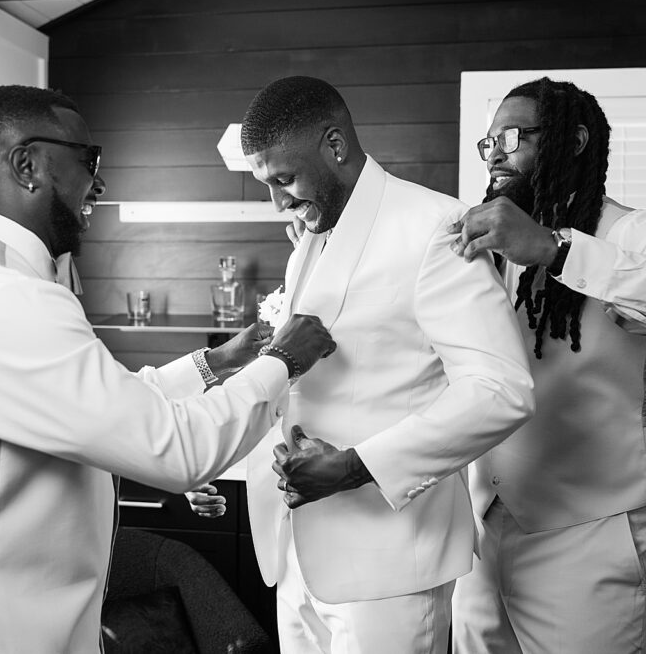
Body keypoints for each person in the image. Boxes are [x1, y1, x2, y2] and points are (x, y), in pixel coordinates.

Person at [0, 84, 336, 654]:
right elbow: (173, 449)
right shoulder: (2, 298)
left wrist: (217, 362)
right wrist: (282, 362)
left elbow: (101, 401)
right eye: (88, 161)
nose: (99, 182)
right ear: (29, 165)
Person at [190, 75, 535, 653]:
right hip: (296, 557)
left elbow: (502, 390)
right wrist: (216, 456)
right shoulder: (312, 236)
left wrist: (358, 467)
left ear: (335, 147)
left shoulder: (435, 229)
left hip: (390, 565)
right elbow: (302, 387)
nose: (278, 201)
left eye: (284, 179)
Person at [448, 77, 646, 653]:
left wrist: (556, 251)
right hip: (482, 532)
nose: (498, 152)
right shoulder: (484, 244)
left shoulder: (638, 233)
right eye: (489, 142)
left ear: (573, 141)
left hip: (591, 537)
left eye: (513, 136)